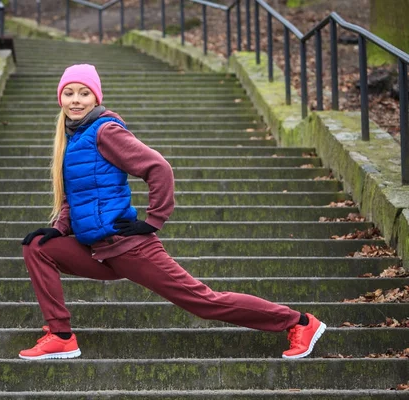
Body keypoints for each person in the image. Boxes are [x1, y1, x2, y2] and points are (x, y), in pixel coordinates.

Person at [19, 64, 326, 361]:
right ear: (60, 97)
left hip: (128, 248)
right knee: (37, 247)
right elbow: (76, 196)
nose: (75, 99)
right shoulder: (73, 140)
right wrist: (59, 229)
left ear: (97, 98)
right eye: (69, 92)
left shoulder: (105, 131)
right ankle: (60, 337)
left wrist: (153, 221)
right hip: (97, 249)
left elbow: (158, 168)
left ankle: (298, 322)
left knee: (205, 302)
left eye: (84, 93)